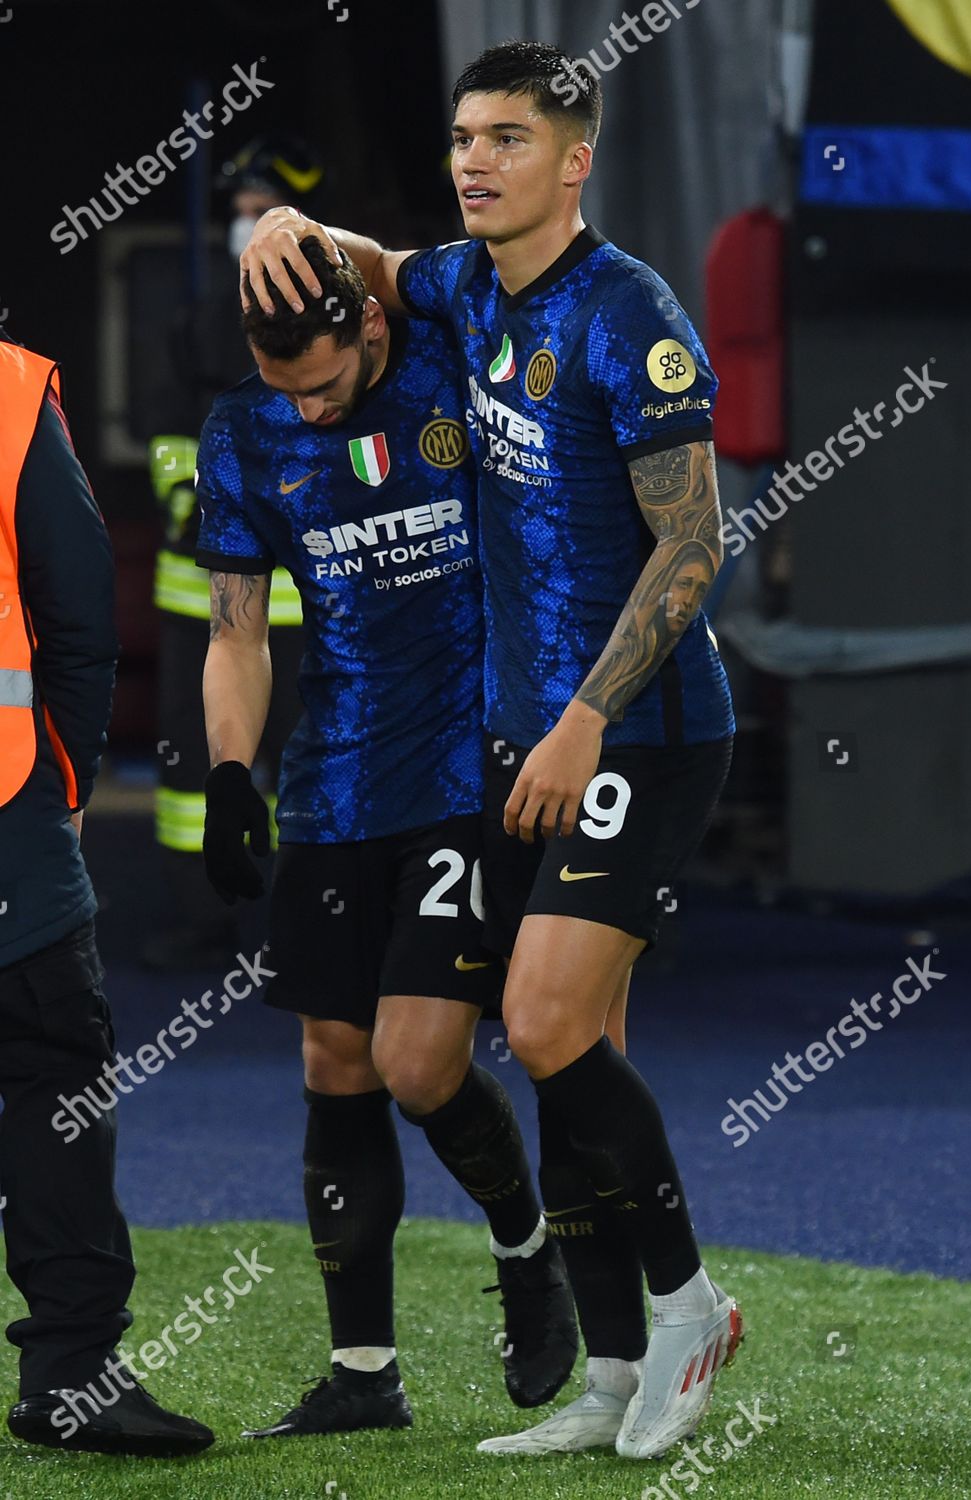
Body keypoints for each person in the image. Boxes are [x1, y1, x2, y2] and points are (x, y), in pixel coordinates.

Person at [240, 38, 742, 1462]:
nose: (475, 160)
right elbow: (369, 261)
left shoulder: (624, 311)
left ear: (575, 161)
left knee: (543, 1027)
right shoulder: (466, 287)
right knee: (564, 1051)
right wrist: (287, 227)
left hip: (639, 730)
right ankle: (612, 1375)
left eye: (510, 139)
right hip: (524, 744)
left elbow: (697, 540)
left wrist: (586, 718)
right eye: (465, 136)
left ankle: (693, 1309)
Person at [195, 238, 577, 1437]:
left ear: (365, 326)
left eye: (317, 381)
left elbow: (446, 256)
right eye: (281, 388)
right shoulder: (242, 432)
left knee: (419, 1064)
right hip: (332, 790)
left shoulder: (453, 358)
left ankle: (529, 1253)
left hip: (465, 777)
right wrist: (226, 775)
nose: (301, 408)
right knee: (334, 1063)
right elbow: (240, 630)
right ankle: (365, 1373)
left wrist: (296, 228)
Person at [0, 331, 213, 1457]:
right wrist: (66, 783)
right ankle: (71, 1375)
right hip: (5, 817)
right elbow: (80, 614)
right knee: (52, 1072)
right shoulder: (9, 393)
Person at [144, 134, 317, 971]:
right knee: (196, 766)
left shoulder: (341, 325)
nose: (247, 229)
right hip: (199, 598)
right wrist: (192, 499)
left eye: (263, 212)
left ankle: (306, 918)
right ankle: (203, 916)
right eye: (240, 213)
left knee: (311, 764)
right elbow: (167, 437)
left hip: (312, 604)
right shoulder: (201, 320)